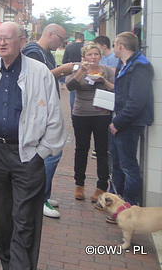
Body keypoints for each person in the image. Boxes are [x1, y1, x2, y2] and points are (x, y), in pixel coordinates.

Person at [0, 22, 65, 270]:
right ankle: (8, 264)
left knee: (25, 222)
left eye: (7, 39)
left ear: (21, 42)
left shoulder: (40, 72)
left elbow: (54, 116)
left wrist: (41, 154)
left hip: (27, 156)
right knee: (0, 221)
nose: (1, 43)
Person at [22, 23, 76, 218]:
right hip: (37, 109)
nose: (62, 43)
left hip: (45, 108)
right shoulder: (33, 52)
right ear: (51, 34)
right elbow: (33, 79)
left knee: (51, 152)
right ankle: (39, 198)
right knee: (51, 153)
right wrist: (62, 70)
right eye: (61, 39)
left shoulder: (46, 53)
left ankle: (44, 194)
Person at [108, 32, 154, 211]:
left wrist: (117, 122)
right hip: (120, 121)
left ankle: (129, 206)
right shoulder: (125, 64)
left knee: (128, 166)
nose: (113, 48)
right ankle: (116, 204)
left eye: (114, 44)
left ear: (120, 45)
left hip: (128, 124)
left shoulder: (140, 67)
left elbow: (136, 101)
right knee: (117, 164)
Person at [66, 43, 114, 203]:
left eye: (96, 54)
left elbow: (115, 89)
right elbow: (70, 86)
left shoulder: (107, 70)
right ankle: (79, 184)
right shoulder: (76, 68)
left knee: (102, 151)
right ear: (84, 57)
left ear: (100, 56)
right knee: (81, 149)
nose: (93, 57)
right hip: (81, 114)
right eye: (90, 55)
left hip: (102, 114)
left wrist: (103, 81)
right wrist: (82, 71)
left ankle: (101, 186)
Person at [63, 31, 85, 109]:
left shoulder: (69, 47)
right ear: (82, 38)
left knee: (72, 92)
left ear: (75, 38)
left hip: (72, 69)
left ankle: (73, 112)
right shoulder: (85, 46)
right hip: (84, 69)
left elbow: (64, 60)